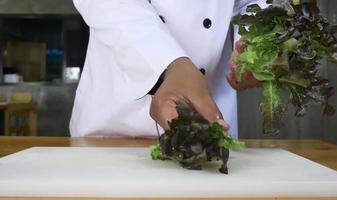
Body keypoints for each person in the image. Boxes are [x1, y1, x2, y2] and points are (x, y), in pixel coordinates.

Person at [70, 0, 265, 138]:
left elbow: (251, 3)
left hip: (209, 123)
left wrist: (257, 41)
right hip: (112, 130)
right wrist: (170, 63)